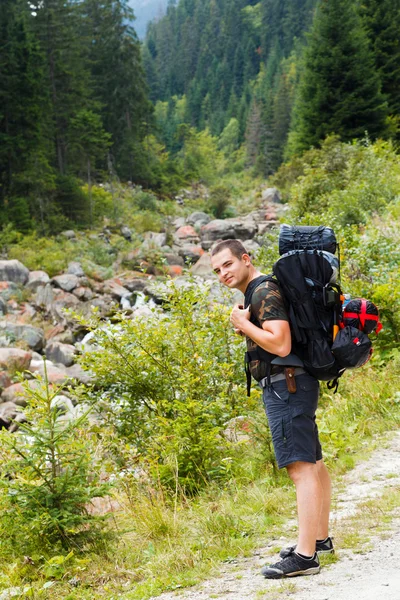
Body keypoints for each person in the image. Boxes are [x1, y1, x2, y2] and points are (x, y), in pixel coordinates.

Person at [210, 239, 334, 579]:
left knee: (300, 467)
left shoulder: (262, 291)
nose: (223, 273)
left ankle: (305, 556)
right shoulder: (264, 289)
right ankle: (319, 539)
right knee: (314, 461)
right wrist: (249, 329)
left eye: (228, 265)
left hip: (286, 386)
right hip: (295, 381)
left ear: (246, 259)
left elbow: (280, 342)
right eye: (217, 270)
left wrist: (242, 323)